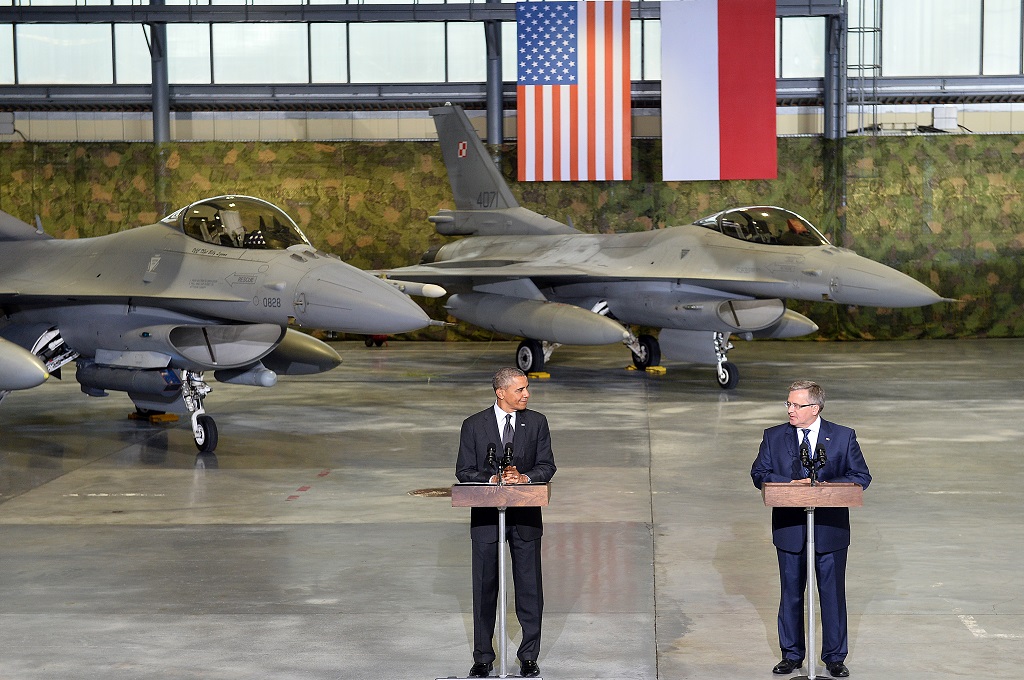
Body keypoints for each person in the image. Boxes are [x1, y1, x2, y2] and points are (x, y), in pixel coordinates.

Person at [750, 380, 871, 678]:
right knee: (791, 593)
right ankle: (791, 655)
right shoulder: (774, 436)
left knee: (832, 594)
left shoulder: (843, 437)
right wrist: (790, 484)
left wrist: (827, 487)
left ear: (814, 408)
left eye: (796, 405)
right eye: (788, 404)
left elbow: (861, 476)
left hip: (830, 530)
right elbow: (759, 472)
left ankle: (834, 657)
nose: (790, 410)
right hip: (790, 529)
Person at [456, 367, 557, 678]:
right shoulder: (473, 425)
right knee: (485, 589)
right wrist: (491, 478)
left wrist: (524, 477)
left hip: (525, 517)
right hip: (487, 519)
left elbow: (547, 465)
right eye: (520, 390)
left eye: (526, 389)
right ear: (501, 393)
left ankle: (528, 656)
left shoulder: (537, 422)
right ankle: (483, 658)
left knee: (529, 588)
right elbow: (463, 471)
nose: (526, 394)